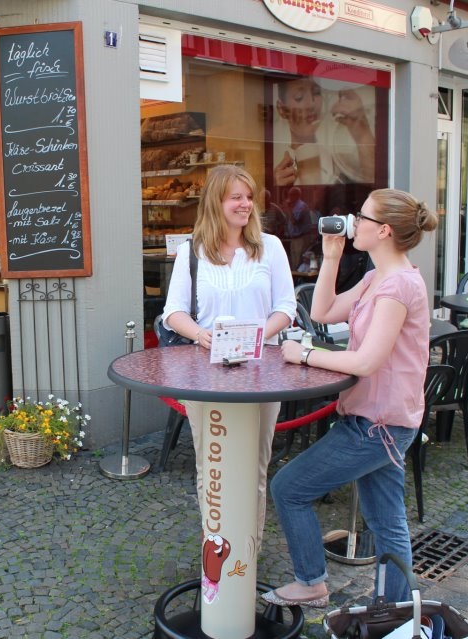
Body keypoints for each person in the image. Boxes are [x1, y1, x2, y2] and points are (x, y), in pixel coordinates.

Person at [262, 188, 439, 609]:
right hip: (384, 419)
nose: (352, 220)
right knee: (386, 519)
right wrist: (331, 256)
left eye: (361, 216)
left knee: (288, 488)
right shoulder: (377, 277)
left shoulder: (396, 287)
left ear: (384, 230)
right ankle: (393, 610)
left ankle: (311, 582)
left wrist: (305, 353)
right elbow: (322, 312)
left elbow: (367, 361)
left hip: (378, 425)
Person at [161, 164, 296, 548]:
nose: (246, 204)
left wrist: (256, 336)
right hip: (206, 373)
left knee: (256, 464)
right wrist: (202, 335)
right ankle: (216, 549)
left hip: (262, 371)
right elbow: (174, 313)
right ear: (216, 201)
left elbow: (286, 306)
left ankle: (249, 549)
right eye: (236, 197)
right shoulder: (193, 251)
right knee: (211, 464)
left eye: (249, 197)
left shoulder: (270, 247)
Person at [272, 77, 376, 187]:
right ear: (281, 109)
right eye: (299, 97)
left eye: (316, 93)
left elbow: (374, 185)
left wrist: (362, 131)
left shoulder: (341, 164)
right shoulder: (276, 171)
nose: (311, 104)